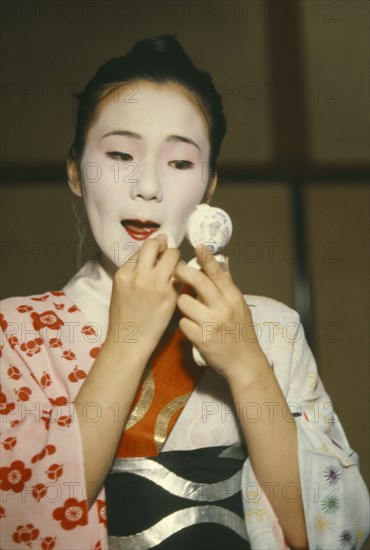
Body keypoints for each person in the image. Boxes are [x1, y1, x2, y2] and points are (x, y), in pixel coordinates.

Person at [0, 35, 369, 550]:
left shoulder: (268, 329)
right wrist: (128, 342)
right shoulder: (17, 333)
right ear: (76, 173)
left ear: (209, 186)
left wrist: (246, 365)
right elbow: (23, 523)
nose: (148, 185)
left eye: (179, 163)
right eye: (121, 153)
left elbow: (334, 533)